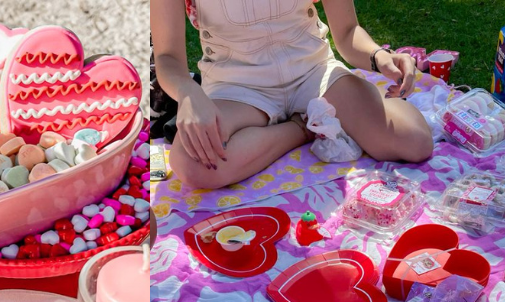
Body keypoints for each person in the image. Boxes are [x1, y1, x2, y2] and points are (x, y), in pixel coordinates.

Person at [150, 0, 434, 189]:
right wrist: (188, 92)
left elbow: (347, 32)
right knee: (192, 163)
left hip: (314, 73)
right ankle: (301, 128)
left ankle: (354, 109)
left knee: (415, 142)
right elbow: (166, 56)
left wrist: (378, 56)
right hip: (236, 87)